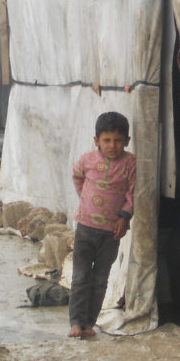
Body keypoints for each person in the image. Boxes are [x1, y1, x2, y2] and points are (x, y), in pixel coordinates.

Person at [68, 111, 136, 339]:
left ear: (127, 141)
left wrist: (124, 217)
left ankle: (89, 322)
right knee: (80, 278)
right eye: (106, 140)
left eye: (118, 140)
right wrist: (85, 200)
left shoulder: (129, 163)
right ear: (96, 141)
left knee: (99, 280)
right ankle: (76, 322)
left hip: (111, 232)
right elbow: (77, 177)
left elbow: (132, 193)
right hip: (85, 228)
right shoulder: (87, 160)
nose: (112, 145)